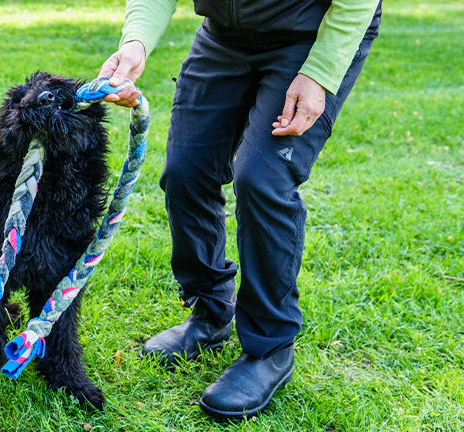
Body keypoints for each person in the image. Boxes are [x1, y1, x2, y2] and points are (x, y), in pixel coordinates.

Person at [99, 0, 382, 420]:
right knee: (186, 170)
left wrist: (319, 74)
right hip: (224, 37)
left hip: (308, 40)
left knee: (262, 179)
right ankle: (211, 311)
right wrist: (136, 42)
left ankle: (269, 347)